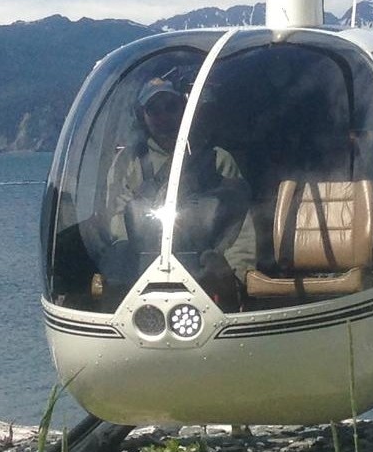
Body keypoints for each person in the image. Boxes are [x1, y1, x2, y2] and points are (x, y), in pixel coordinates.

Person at [92, 71, 257, 304]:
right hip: (141, 270)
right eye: (154, 110)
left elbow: (239, 223)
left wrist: (238, 275)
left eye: (171, 107)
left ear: (185, 111)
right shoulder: (127, 162)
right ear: (142, 117)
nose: (164, 117)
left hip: (203, 270)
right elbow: (116, 220)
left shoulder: (217, 160)